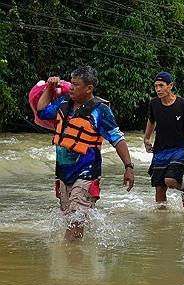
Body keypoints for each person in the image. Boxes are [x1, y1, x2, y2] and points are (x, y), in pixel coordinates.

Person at [36, 66, 135, 240]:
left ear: (88, 88)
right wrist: (49, 88)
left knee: (76, 219)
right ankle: (78, 259)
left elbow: (117, 139)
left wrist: (128, 167)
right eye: (71, 84)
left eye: (76, 85)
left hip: (87, 173)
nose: (71, 88)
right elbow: (42, 111)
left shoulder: (100, 110)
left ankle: (71, 261)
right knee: (69, 218)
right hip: (64, 173)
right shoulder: (63, 103)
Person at [143, 71, 184, 208]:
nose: (158, 89)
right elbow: (151, 121)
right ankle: (163, 221)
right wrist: (146, 139)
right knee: (159, 189)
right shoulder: (154, 103)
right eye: (155, 86)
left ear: (170, 86)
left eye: (161, 85)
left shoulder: (182, 104)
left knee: (170, 180)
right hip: (160, 150)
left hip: (179, 149)